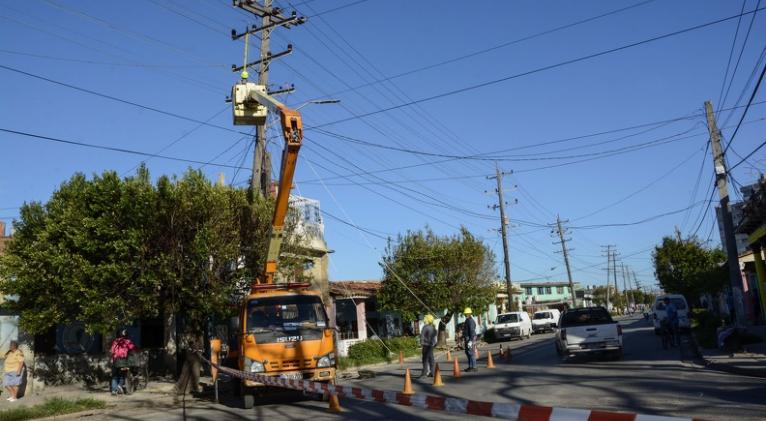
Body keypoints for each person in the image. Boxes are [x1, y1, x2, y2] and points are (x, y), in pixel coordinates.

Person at [110, 329, 137, 395]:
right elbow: (133, 348)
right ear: (127, 335)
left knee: (114, 376)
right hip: (123, 361)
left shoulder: (115, 341)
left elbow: (112, 351)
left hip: (115, 360)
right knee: (123, 375)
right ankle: (119, 386)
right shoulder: (128, 341)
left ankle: (114, 390)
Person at [419, 314, 437, 378]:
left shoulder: (425, 327)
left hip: (426, 345)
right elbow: (435, 337)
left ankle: (424, 373)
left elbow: (422, 336)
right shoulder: (433, 327)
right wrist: (434, 343)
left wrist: (421, 343)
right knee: (431, 358)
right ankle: (432, 372)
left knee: (425, 359)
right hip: (431, 345)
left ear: (427, 320)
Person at [462, 307, 477, 372]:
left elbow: (472, 331)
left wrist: (470, 341)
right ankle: (470, 366)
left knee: (471, 352)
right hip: (468, 337)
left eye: (466, 313)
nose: (465, 315)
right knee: (468, 352)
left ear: (469, 314)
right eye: (465, 314)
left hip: (470, 338)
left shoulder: (470, 321)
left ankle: (474, 367)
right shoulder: (468, 320)